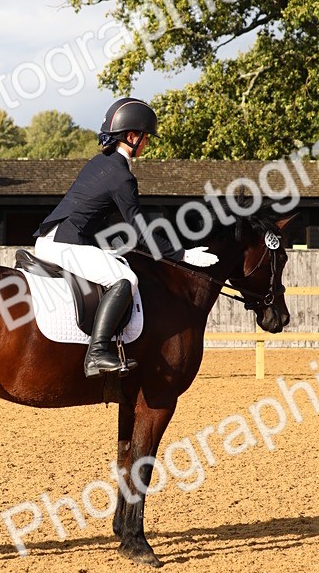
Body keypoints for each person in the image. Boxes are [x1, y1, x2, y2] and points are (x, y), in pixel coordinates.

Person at [34, 97, 218, 377]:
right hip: (64, 245)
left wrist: (107, 246)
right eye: (145, 138)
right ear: (131, 136)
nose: (146, 144)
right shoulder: (122, 176)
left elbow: (93, 213)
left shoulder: (100, 163)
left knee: (117, 265)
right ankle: (97, 353)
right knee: (126, 279)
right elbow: (139, 228)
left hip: (56, 238)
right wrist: (182, 255)